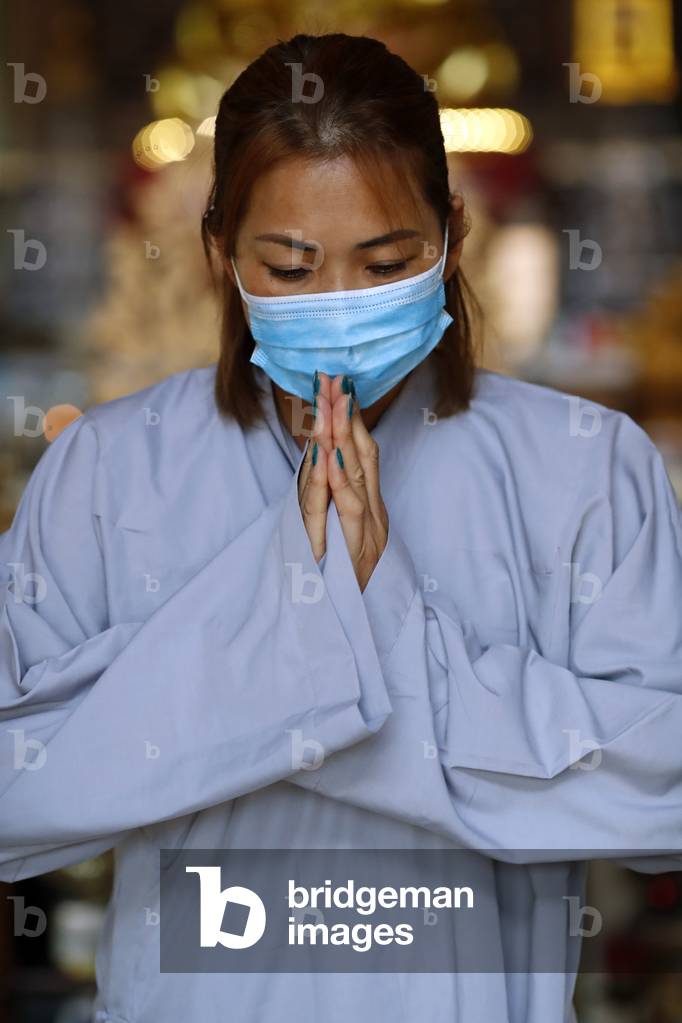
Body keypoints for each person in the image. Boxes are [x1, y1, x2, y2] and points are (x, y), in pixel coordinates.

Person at [2, 31, 681, 1023]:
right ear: (217, 251)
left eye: (384, 261)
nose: (339, 305)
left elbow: (661, 792)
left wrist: (380, 629)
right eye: (287, 266)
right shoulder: (111, 466)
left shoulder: (582, 464)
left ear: (451, 235)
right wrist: (285, 621)